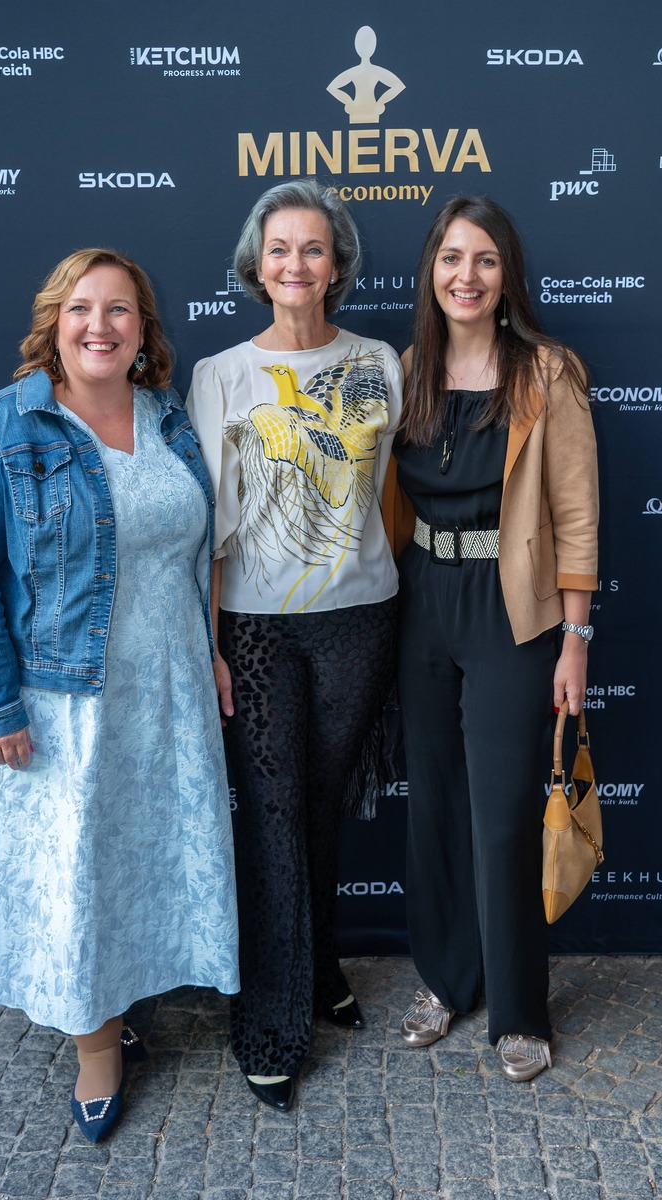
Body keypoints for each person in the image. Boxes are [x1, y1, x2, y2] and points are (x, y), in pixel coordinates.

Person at [0, 249, 239, 1143]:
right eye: (81, 309)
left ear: (144, 330)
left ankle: (123, 998)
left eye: (120, 310)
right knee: (79, 873)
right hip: (62, 704)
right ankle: (97, 1048)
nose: (100, 326)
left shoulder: (170, 418)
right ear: (53, 324)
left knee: (133, 865)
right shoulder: (2, 426)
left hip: (164, 695)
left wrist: (210, 650)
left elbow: (194, 551)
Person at [188, 180, 402, 1110]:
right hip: (257, 627)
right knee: (271, 817)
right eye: (280, 248)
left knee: (317, 811)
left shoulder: (378, 362)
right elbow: (207, 530)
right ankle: (270, 1021)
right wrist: (212, 645)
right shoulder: (221, 375)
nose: (296, 265)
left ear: (338, 264)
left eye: (313, 248)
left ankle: (317, 971)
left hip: (362, 616)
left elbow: (388, 492)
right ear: (256, 263)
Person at [390, 196, 598, 1080]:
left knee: (503, 813)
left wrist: (575, 638)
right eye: (450, 258)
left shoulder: (547, 371)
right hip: (424, 599)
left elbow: (577, 515)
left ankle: (518, 1010)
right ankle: (448, 979)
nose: (465, 276)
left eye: (483, 259)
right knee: (435, 803)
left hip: (512, 608)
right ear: (431, 271)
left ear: (506, 274)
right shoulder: (407, 370)